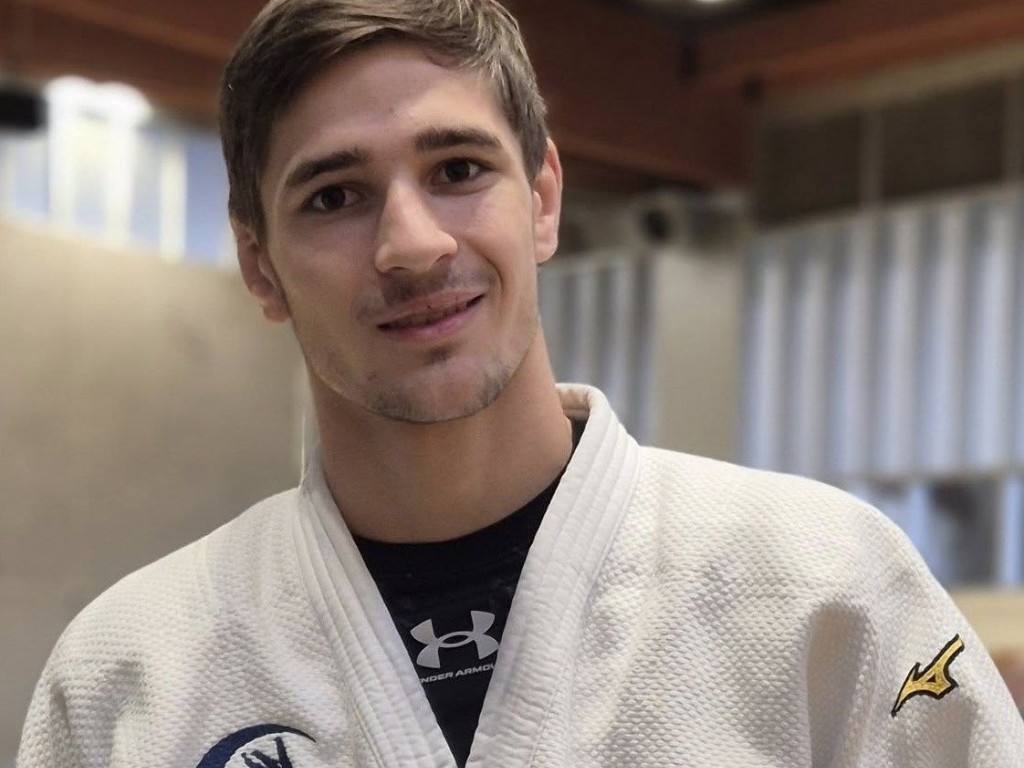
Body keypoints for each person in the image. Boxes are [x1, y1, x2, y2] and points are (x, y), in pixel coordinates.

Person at [17, 0, 1024, 765]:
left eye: (457, 170)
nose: (410, 246)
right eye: (334, 196)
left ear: (542, 199)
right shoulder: (127, 674)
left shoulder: (823, 587)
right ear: (258, 264)